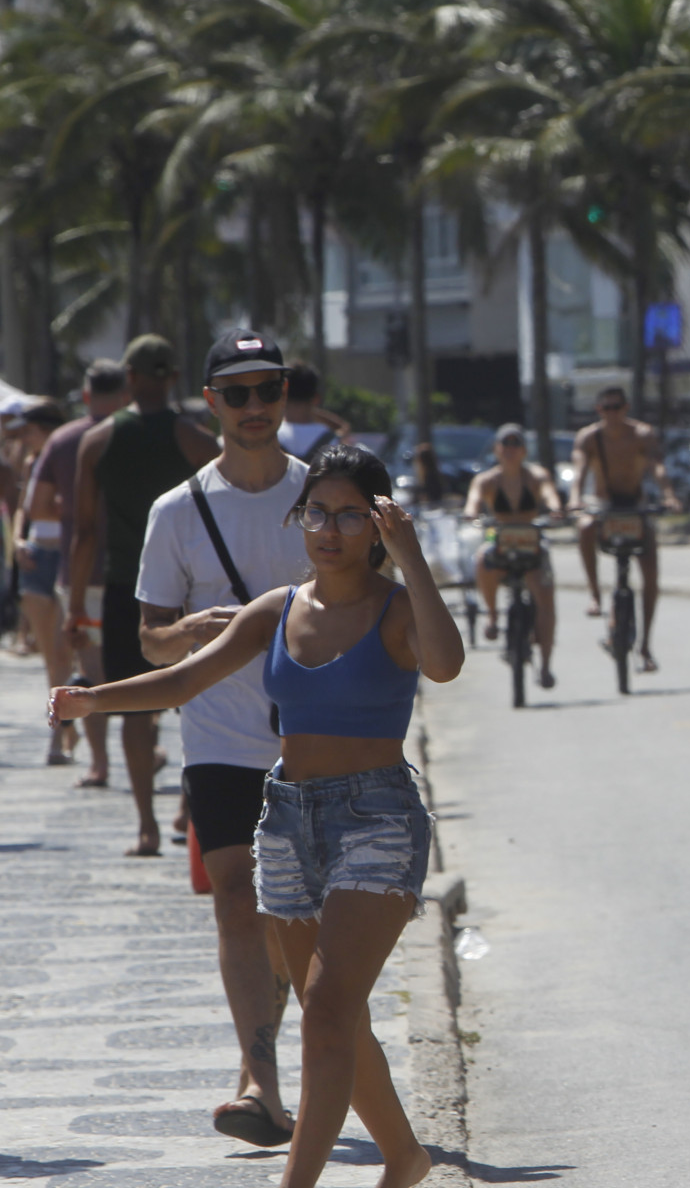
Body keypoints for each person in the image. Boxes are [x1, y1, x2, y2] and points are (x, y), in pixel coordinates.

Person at [52, 444, 461, 1188]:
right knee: (325, 1011)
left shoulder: (398, 609)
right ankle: (404, 1156)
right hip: (287, 820)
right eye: (316, 512)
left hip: (378, 818)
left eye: (347, 514)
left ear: (377, 524)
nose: (328, 529)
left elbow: (444, 663)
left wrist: (415, 562)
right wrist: (93, 699)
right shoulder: (277, 609)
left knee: (331, 1006)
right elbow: (185, 676)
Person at [135, 328, 312, 1147]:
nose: (252, 407)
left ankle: (305, 1063)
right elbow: (149, 639)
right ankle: (260, 1082)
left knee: (296, 912)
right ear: (210, 403)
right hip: (219, 738)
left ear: (285, 395)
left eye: (265, 389)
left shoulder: (324, 498)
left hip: (316, 740)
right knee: (239, 899)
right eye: (234, 393)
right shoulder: (177, 511)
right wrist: (196, 634)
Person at [68, 335, 221, 855]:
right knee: (194, 700)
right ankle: (185, 809)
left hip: (123, 589)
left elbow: (85, 533)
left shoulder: (99, 441)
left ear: (130, 378)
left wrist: (73, 607)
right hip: (187, 589)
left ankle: (146, 825)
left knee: (134, 708)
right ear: (172, 377)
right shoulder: (197, 441)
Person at [30, 359, 131, 787]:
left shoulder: (65, 439)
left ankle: (100, 763)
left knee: (90, 666)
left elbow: (37, 505)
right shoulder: (138, 435)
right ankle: (148, 745)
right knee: (139, 663)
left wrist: (70, 511)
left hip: (82, 572)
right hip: (137, 566)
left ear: (86, 395)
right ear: (125, 394)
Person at [569, 386, 680, 669]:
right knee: (585, 527)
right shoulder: (589, 437)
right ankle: (594, 593)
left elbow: (657, 466)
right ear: (599, 411)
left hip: (635, 504)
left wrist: (668, 494)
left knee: (650, 573)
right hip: (605, 504)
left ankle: (645, 646)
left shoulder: (641, 434)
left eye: (617, 407)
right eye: (607, 408)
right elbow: (579, 470)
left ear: (626, 408)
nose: (612, 413)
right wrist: (574, 499)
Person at [465, 423, 563, 689]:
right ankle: (493, 616)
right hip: (499, 538)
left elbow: (549, 493)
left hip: (531, 540)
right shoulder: (487, 480)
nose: (510, 450)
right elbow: (473, 499)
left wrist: (554, 508)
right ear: (497, 449)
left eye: (515, 444)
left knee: (546, 598)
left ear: (524, 450)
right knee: (483, 558)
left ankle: (545, 665)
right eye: (505, 445)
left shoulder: (535, 476)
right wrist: (472, 512)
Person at [12, 399, 73, 764]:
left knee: (64, 650)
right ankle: (61, 734)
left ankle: (66, 731)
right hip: (36, 553)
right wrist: (18, 539)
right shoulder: (34, 462)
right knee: (50, 657)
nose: (25, 437)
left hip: (63, 554)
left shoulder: (67, 460)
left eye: (31, 431)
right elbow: (23, 506)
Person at [276, 361, 349, 462]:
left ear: (282, 394)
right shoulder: (333, 440)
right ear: (316, 398)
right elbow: (343, 427)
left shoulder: (270, 436)